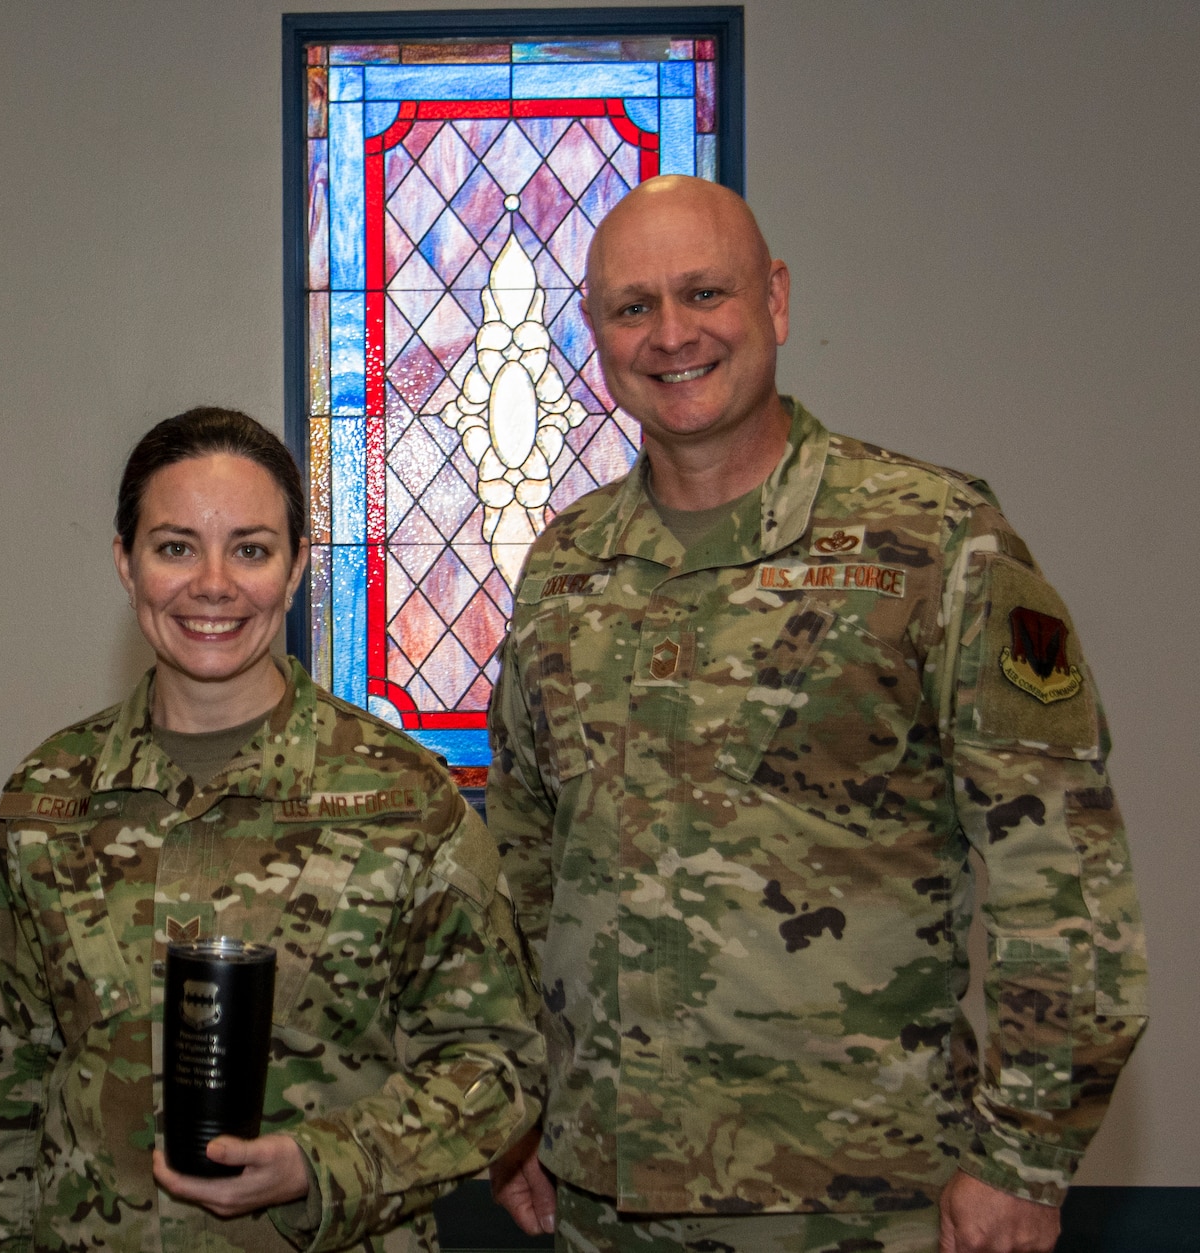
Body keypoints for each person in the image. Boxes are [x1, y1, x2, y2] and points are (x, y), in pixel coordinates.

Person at [485, 175, 1148, 1253]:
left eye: (703, 291)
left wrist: (1022, 1158)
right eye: (630, 307)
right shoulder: (565, 565)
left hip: (859, 1202)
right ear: (594, 335)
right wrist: (514, 1109)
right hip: (603, 1194)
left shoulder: (935, 541)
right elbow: (517, 861)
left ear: (776, 301)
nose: (670, 334)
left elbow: (1060, 874)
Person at [0, 408, 542, 1252]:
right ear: (126, 563)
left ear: (298, 567)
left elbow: (500, 1065)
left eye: (253, 549)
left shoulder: (404, 804)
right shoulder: (48, 806)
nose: (214, 584)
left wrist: (322, 1164)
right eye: (176, 546)